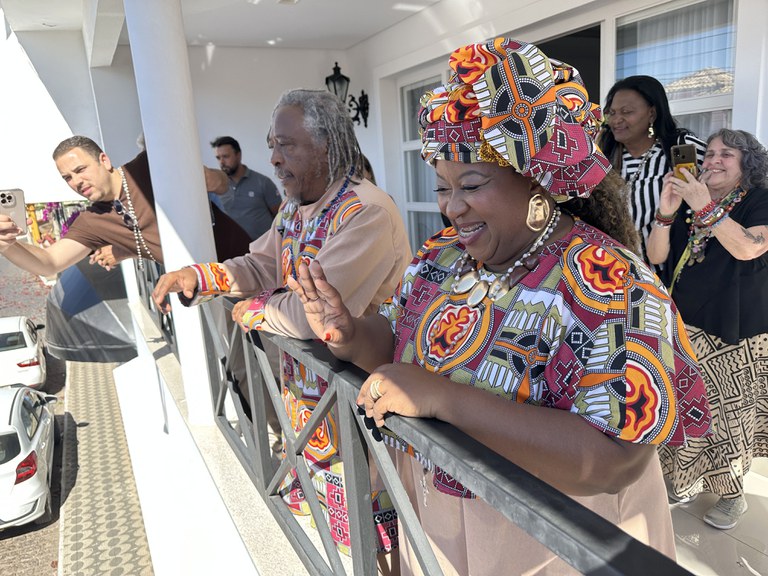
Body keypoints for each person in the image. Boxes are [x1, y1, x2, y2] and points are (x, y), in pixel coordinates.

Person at [287, 37, 712, 575]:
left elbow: (612, 460)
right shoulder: (442, 257)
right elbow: (396, 345)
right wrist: (348, 333)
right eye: (441, 186)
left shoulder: (606, 280)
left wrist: (444, 398)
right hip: (441, 520)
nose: (451, 206)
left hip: (556, 539)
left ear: (537, 178)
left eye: (471, 183)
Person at [152, 89, 412, 557]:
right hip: (310, 406)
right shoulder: (295, 207)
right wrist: (200, 276)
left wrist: (255, 308)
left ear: (328, 145)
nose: (272, 158)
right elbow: (259, 267)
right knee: (332, 538)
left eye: (286, 144)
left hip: (363, 407)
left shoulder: (364, 211)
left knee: (376, 543)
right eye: (271, 144)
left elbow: (308, 318)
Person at [648, 128, 768, 530]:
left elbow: (749, 247)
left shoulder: (759, 199)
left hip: (737, 330)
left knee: (730, 418)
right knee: (686, 408)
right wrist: (667, 209)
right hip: (686, 324)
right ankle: (684, 480)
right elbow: (657, 255)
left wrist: (704, 206)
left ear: (746, 163)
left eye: (726, 154)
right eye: (709, 153)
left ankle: (733, 496)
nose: (712, 160)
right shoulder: (690, 204)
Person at [0, 136, 250, 275]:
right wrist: (6, 244)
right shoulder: (92, 220)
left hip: (249, 265)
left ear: (104, 160)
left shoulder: (148, 166)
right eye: (67, 178)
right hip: (212, 291)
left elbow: (222, 185)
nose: (76, 181)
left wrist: (203, 177)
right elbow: (49, 262)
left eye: (80, 170)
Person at [598, 75, 706, 264]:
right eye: (612, 112)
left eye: (627, 112)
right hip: (613, 270)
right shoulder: (604, 156)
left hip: (666, 276)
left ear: (652, 114)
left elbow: (725, 187)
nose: (616, 119)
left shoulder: (680, 149)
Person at [210, 135, 282, 241]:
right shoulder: (215, 188)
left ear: (238, 155)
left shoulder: (262, 182)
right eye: (218, 158)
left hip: (262, 251)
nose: (221, 162)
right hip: (231, 251)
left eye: (225, 156)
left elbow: (280, 217)